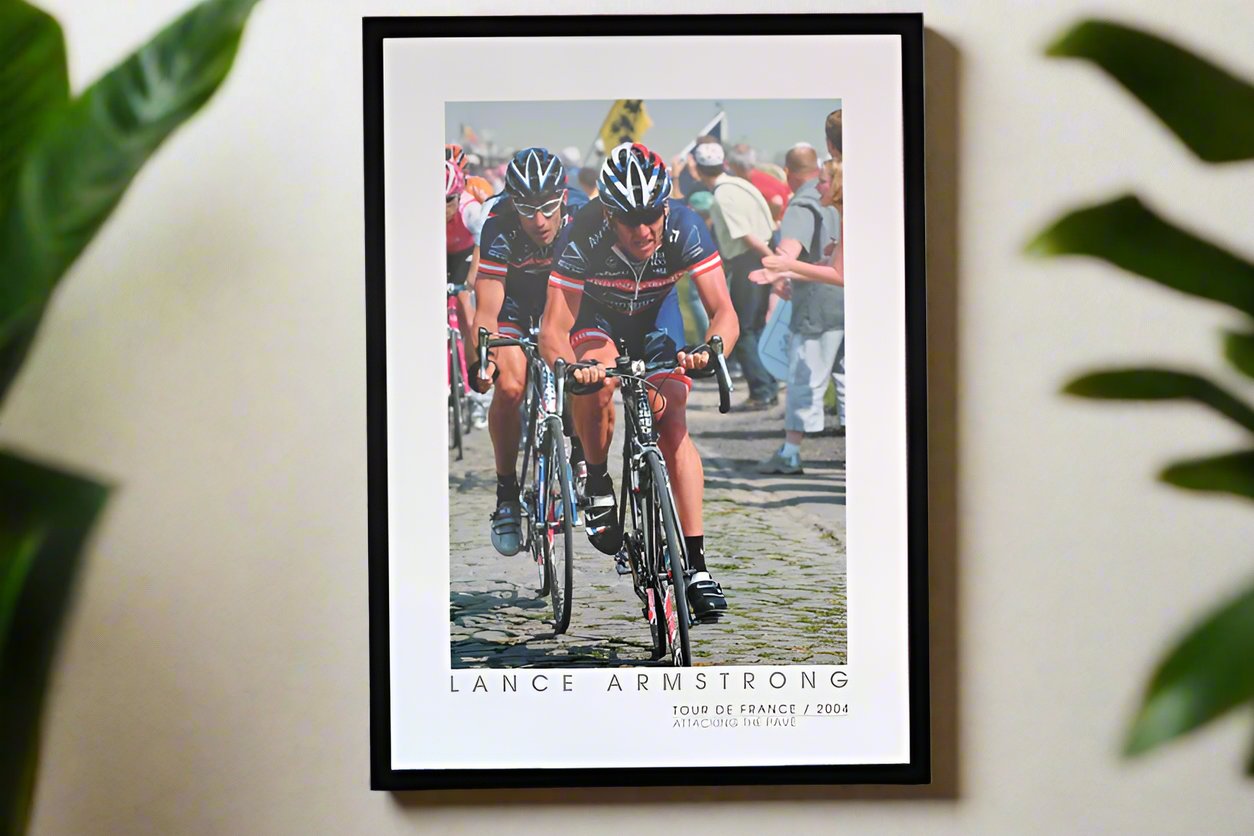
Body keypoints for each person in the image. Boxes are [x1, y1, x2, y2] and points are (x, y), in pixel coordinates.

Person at [539, 142, 739, 620]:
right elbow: (552, 329)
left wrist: (712, 350)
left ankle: (695, 567)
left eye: (653, 214)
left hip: (656, 318)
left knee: (672, 421)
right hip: (598, 320)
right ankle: (598, 477)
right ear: (608, 214)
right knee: (597, 380)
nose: (645, 229)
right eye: (631, 219)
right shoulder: (583, 233)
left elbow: (724, 313)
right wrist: (570, 369)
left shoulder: (686, 226)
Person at [467, 147, 589, 556]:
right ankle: (506, 495)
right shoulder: (498, 224)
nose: (538, 221)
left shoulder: (585, 217)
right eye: (527, 209)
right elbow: (486, 309)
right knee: (512, 387)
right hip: (515, 305)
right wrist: (482, 357)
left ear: (564, 199)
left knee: (576, 370)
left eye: (548, 208)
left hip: (567, 302)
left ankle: (581, 456)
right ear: (511, 203)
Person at [751, 146, 843, 475]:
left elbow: (791, 245)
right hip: (852, 303)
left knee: (805, 377)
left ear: (788, 173)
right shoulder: (843, 194)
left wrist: (779, 268)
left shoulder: (804, 202)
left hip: (818, 304)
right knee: (848, 380)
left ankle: (790, 452)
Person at [694, 140, 779, 410]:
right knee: (756, 327)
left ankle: (761, 391)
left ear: (697, 169)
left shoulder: (722, 195)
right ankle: (769, 386)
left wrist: (771, 262)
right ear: (724, 164)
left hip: (750, 261)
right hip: (760, 256)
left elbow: (746, 235)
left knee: (742, 329)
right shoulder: (741, 184)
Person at [728, 143, 791, 223]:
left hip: (779, 226)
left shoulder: (753, 183)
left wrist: (771, 221)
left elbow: (776, 202)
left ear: (735, 165)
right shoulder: (761, 176)